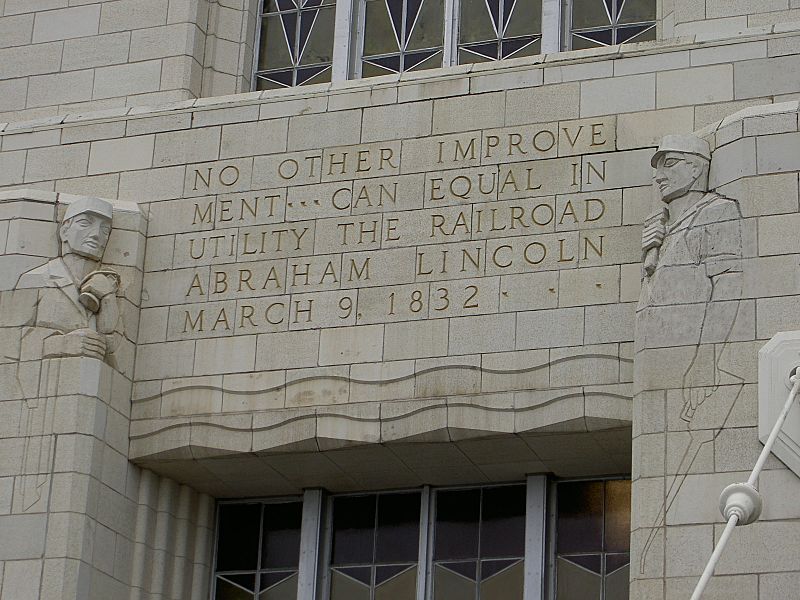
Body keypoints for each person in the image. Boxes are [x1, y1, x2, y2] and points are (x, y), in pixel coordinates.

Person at [16, 197, 122, 364]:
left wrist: (108, 298)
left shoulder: (106, 286)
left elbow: (116, 352)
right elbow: (10, 341)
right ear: (64, 231)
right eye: (85, 223)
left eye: (105, 230)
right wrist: (61, 344)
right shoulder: (36, 279)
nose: (96, 235)